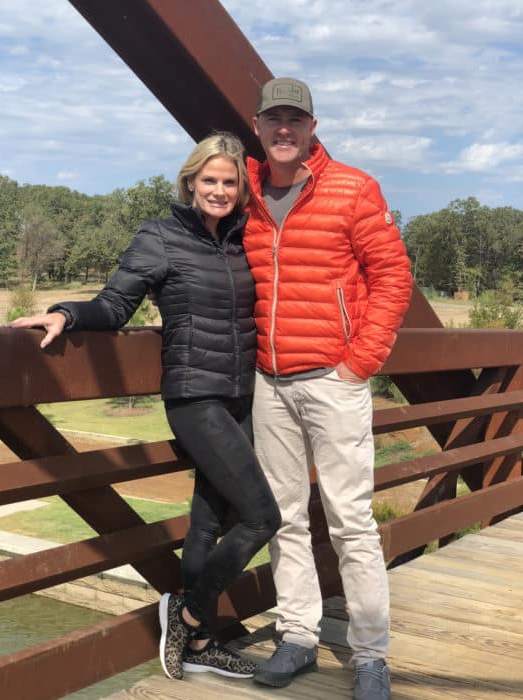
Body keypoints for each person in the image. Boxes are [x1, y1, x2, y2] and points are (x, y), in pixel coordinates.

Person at [8, 132, 281, 683]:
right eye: (210, 180)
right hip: (194, 396)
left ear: (241, 189)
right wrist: (65, 312)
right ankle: (186, 615)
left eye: (230, 182)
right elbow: (115, 304)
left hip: (241, 396)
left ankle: (200, 643)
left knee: (210, 520)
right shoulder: (159, 236)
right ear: (190, 181)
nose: (220, 190)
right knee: (261, 516)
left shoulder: (243, 241)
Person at [243, 78, 413, 700]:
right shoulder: (249, 191)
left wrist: (359, 363)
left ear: (312, 127)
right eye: (273, 119)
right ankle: (296, 637)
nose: (284, 129)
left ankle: (370, 656)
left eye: (296, 118)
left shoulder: (352, 187)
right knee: (284, 518)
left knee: (351, 522)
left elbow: (393, 277)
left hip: (333, 381)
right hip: (269, 381)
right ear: (257, 126)